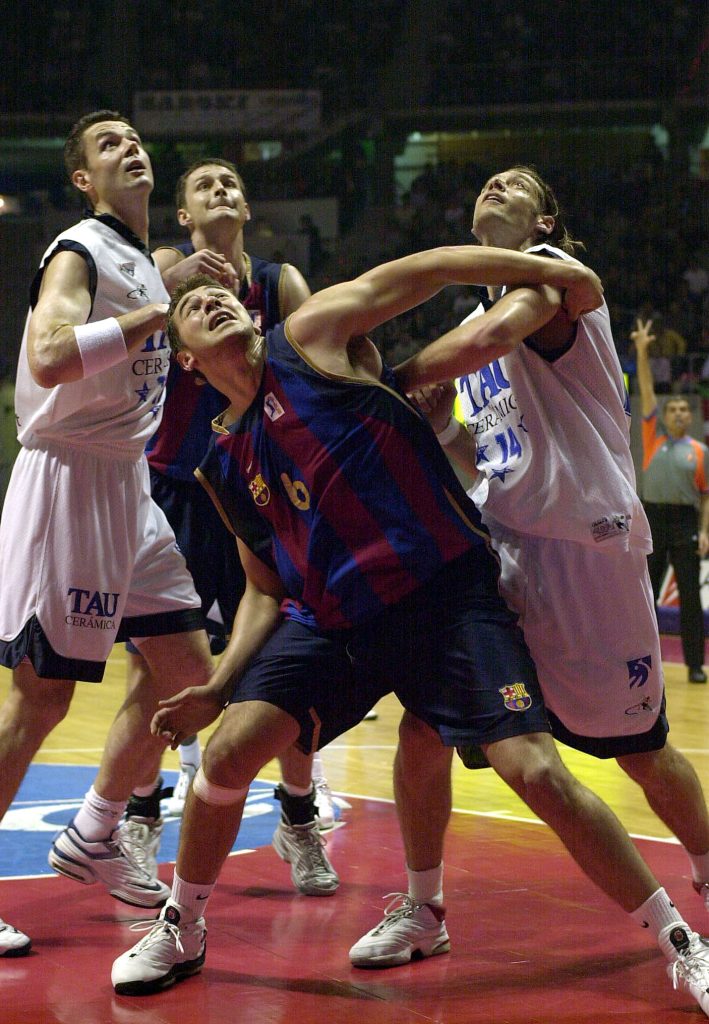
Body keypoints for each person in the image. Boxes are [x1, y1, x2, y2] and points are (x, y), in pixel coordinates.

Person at [113, 251, 703, 1015]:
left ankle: (682, 944)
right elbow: (263, 585)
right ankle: (184, 924)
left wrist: (533, 265)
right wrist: (219, 684)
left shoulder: (308, 337)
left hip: (443, 599)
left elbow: (423, 270)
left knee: (535, 771)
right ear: (187, 361)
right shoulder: (224, 458)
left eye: (224, 296)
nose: (216, 304)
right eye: (196, 307)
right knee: (226, 753)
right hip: (334, 621)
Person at [348, 166, 709, 1016]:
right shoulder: (471, 318)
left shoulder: (543, 280)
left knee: (638, 751)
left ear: (544, 217)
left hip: (587, 551)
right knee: (424, 727)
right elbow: (479, 444)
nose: (495, 185)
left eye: (516, 183)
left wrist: (379, 386)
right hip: (501, 552)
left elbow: (475, 348)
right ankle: (424, 905)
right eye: (485, 181)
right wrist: (429, 424)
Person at [0, 110, 214, 956]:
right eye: (108, 144)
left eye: (135, 138)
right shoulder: (78, 250)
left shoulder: (143, 264)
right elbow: (51, 354)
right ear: (85, 179)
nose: (131, 147)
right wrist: (150, 319)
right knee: (42, 697)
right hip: (68, 477)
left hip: (129, 482)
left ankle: (93, 833)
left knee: (187, 676)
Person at [122, 158, 340, 893]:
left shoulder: (276, 283)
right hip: (180, 488)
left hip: (263, 486)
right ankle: (141, 817)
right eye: (203, 187)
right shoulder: (163, 270)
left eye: (230, 184)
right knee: (151, 665)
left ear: (245, 207)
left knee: (289, 656)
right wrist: (175, 271)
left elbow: (319, 354)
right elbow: (142, 288)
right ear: (182, 216)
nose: (221, 190)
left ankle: (299, 818)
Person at [633, 317, 709, 683]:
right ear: (663, 416)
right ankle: (641, 661)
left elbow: (706, 496)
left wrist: (705, 532)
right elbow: (646, 390)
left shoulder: (700, 451)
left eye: (684, 410)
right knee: (644, 596)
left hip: (685, 523)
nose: (679, 413)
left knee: (691, 598)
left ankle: (696, 665)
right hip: (654, 520)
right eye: (673, 409)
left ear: (690, 417)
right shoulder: (653, 438)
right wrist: (643, 352)